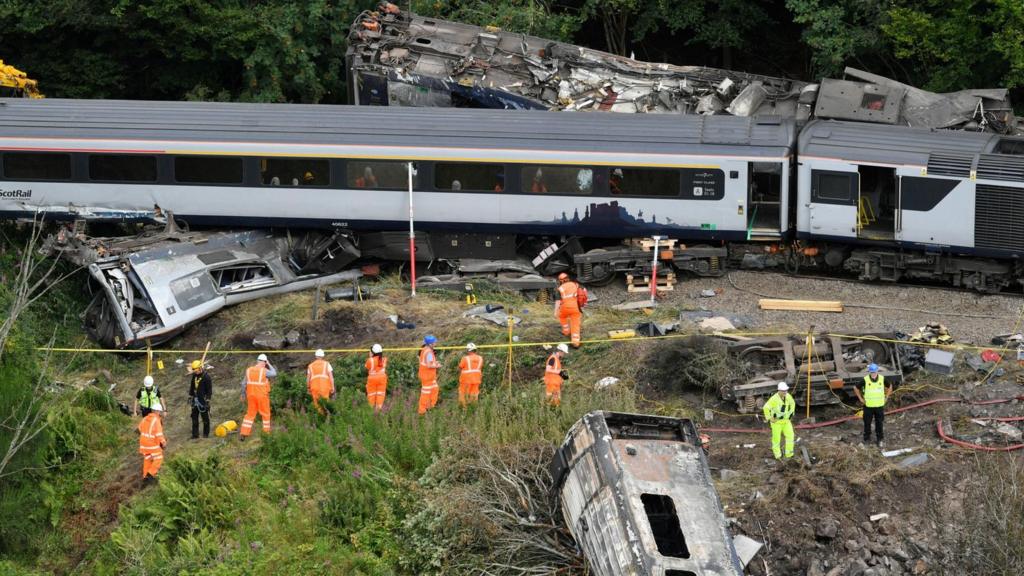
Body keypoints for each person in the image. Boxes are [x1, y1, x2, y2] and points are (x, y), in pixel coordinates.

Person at [239, 353, 276, 440]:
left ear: (257, 361)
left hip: (251, 395)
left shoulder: (249, 370)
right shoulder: (264, 371)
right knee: (266, 414)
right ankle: (266, 434)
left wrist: (243, 394)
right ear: (264, 362)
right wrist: (269, 364)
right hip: (262, 396)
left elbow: (243, 383)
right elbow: (274, 373)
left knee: (250, 414)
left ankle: (243, 433)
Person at [854, 363, 892, 447]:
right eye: (872, 372)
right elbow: (856, 388)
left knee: (879, 423)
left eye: (874, 372)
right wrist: (860, 399)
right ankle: (867, 439)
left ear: (877, 371)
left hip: (879, 406)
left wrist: (886, 397)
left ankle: (880, 439)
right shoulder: (865, 380)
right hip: (868, 407)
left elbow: (890, 386)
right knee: (867, 423)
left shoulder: (882, 379)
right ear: (869, 372)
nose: (873, 374)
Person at [763, 382, 796, 461]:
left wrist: (791, 415)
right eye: (783, 391)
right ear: (779, 391)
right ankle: (778, 455)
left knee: (790, 437)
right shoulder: (774, 399)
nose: (785, 392)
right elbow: (765, 408)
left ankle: (789, 454)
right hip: (777, 423)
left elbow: (792, 404)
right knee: (776, 439)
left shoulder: (788, 396)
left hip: (786, 422)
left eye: (786, 390)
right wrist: (770, 418)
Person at [138, 402, 166, 485]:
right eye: (160, 411)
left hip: (143, 443)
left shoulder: (145, 418)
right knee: (159, 457)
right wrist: (163, 443)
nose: (160, 413)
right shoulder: (156, 420)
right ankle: (150, 474)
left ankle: (145, 477)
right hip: (151, 443)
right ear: (157, 411)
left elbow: (139, 429)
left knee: (148, 458)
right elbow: (159, 434)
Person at [555, 272, 583, 348]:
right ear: (568, 278)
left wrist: (555, 312)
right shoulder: (575, 284)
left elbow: (558, 301)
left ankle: (566, 331)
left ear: (560, 281)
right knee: (575, 323)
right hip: (575, 307)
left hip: (564, 308)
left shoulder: (560, 288)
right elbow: (581, 294)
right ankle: (576, 343)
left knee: (562, 317)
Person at [188, 360, 212, 439]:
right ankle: (195, 435)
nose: (195, 372)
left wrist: (208, 400)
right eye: (194, 370)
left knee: (205, 418)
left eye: (196, 370)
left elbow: (209, 390)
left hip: (203, 401)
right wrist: (190, 395)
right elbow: (192, 386)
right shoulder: (194, 376)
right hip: (195, 400)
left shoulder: (206, 377)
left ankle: (206, 434)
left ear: (200, 368)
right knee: (194, 418)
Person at [418, 335, 442, 415]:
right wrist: (437, 365)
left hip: (429, 377)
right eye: (434, 342)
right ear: (430, 344)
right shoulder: (428, 352)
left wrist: (435, 363)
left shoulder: (425, 349)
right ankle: (422, 411)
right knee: (425, 394)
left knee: (435, 389)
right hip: (427, 377)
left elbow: (428, 362)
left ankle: (430, 407)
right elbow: (429, 365)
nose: (436, 343)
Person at [306, 348, 335, 415]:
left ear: (316, 356)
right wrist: (332, 387)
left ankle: (319, 418)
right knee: (325, 403)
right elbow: (331, 377)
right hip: (325, 387)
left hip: (314, 387)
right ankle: (326, 417)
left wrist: (308, 388)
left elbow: (308, 379)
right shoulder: (327, 364)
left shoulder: (310, 366)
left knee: (317, 404)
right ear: (323, 356)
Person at [458, 342, 484, 407]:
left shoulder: (465, 358)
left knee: (463, 393)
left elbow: (460, 367)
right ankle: (473, 407)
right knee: (474, 393)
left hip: (466, 379)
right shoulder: (480, 358)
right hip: (476, 379)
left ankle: (464, 407)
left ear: (468, 350)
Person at [365, 344, 387, 414]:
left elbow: (367, 367)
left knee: (371, 395)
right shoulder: (384, 360)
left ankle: (371, 413)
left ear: (373, 352)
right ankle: (378, 412)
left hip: (372, 380)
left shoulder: (370, 360)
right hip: (382, 379)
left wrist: (370, 357)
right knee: (380, 395)